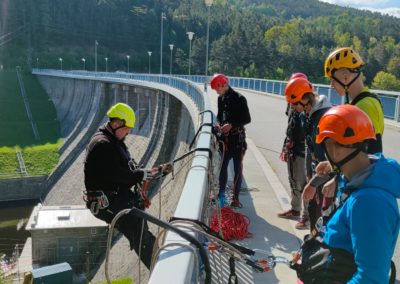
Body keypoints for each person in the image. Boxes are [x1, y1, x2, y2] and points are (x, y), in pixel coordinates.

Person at [306, 104, 400, 283]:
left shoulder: (369, 202)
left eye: (327, 144)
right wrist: (334, 168)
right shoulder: (359, 177)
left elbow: (371, 278)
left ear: (333, 148)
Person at [84, 102, 171, 269]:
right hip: (106, 202)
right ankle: (161, 272)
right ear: (116, 123)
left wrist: (156, 171)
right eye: (126, 128)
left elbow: (130, 168)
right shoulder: (102, 144)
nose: (128, 132)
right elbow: (118, 175)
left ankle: (160, 262)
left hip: (115, 196)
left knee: (140, 228)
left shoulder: (114, 141)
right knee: (138, 232)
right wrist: (140, 174)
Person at [284, 77, 332, 231]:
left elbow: (329, 159)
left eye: (295, 104)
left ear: (305, 99)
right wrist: (309, 174)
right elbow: (309, 146)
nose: (294, 108)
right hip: (316, 175)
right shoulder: (306, 115)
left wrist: (314, 183)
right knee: (314, 216)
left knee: (326, 220)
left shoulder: (325, 117)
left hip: (328, 178)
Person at [324, 47, 384, 154]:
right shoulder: (365, 101)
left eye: (332, 80)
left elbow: (370, 156)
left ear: (346, 78)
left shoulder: (364, 106)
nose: (331, 85)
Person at [210, 73, 251, 208]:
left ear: (224, 85)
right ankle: (221, 194)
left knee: (237, 169)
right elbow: (220, 116)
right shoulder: (220, 99)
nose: (217, 92)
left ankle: (236, 198)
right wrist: (219, 124)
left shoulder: (240, 99)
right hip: (225, 139)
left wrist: (232, 125)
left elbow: (247, 119)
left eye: (218, 89)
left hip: (237, 140)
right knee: (222, 167)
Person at [278, 73, 309, 229]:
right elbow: (290, 125)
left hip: (303, 150)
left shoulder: (307, 106)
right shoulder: (292, 103)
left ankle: (306, 216)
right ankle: (295, 209)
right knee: (293, 180)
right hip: (292, 147)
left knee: (304, 184)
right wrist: (285, 146)